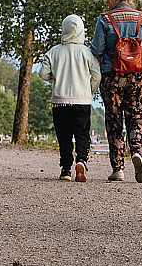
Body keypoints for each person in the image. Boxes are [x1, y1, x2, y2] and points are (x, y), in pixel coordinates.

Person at [90, 0, 142, 183]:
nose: (106, 1)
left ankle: (118, 169)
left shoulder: (105, 19)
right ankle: (137, 152)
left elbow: (96, 50)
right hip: (138, 76)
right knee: (137, 117)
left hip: (112, 76)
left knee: (114, 121)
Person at [39, 14, 101, 182]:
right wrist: (89, 91)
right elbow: (97, 76)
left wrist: (55, 77)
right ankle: (81, 160)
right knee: (82, 134)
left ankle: (66, 169)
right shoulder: (87, 52)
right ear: (81, 31)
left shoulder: (54, 51)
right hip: (82, 100)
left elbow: (43, 74)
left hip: (60, 101)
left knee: (64, 136)